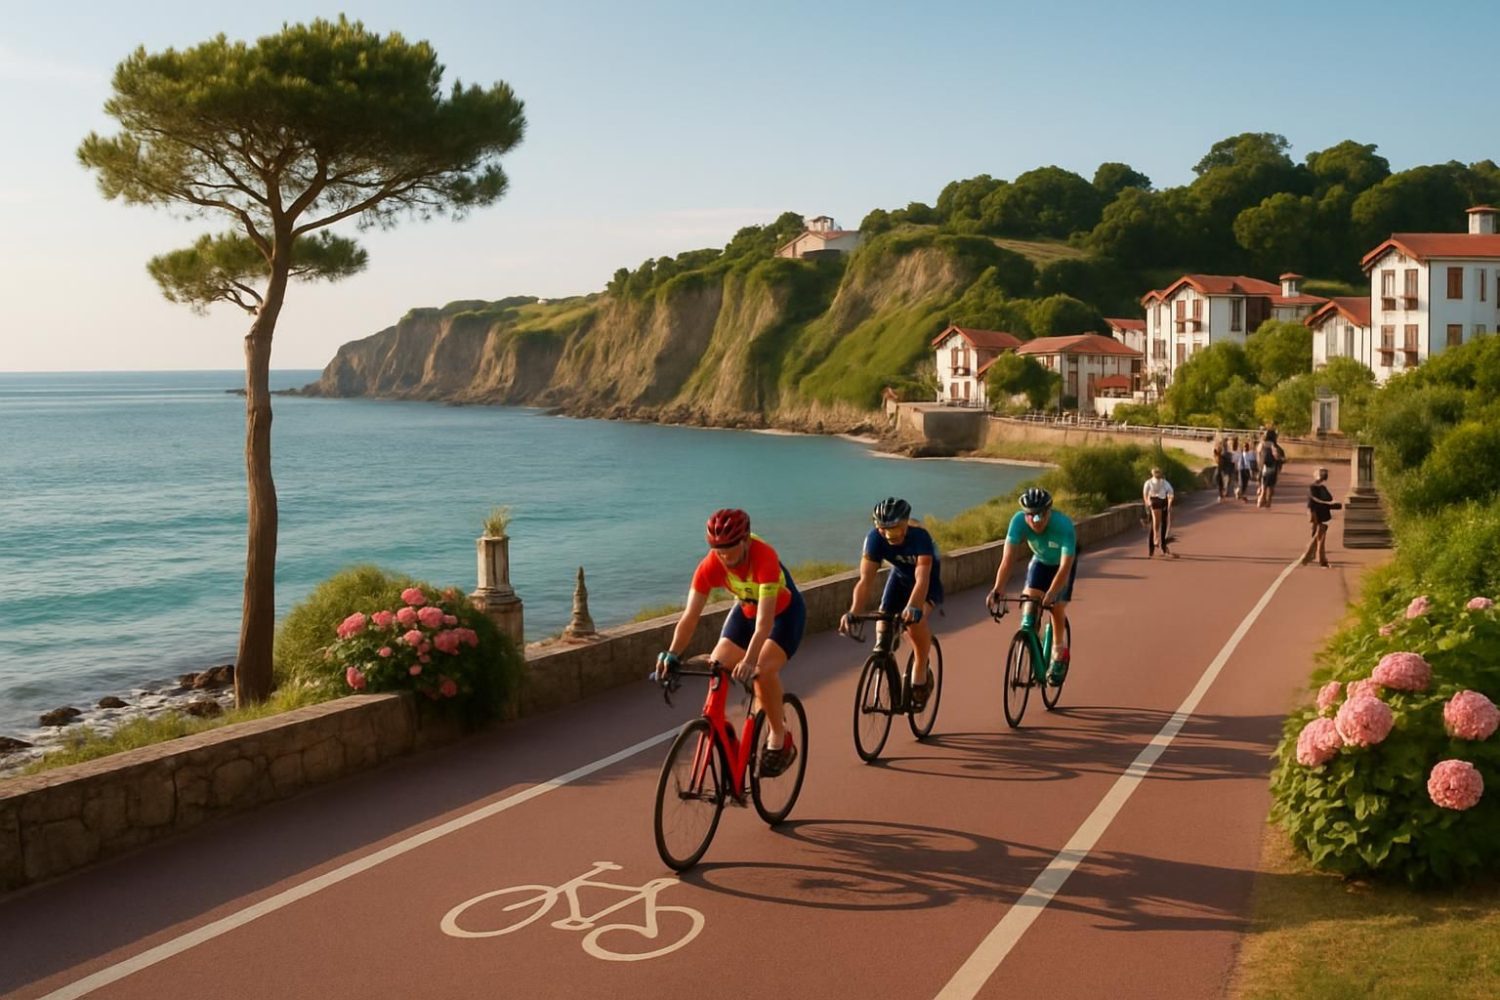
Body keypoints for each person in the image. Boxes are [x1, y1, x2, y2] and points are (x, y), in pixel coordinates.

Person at [655, 509, 806, 776]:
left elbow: (765, 624)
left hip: (783, 616)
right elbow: (690, 617)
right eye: (717, 549)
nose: (724, 557)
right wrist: (672, 653)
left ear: (745, 540)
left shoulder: (765, 558)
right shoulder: (710, 565)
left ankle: (780, 739)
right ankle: (720, 729)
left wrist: (749, 660)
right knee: (716, 666)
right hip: (746, 611)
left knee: (761, 670)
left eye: (729, 549)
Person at [839, 497, 943, 711]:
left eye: (894, 530)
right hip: (900, 578)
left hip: (927, 580)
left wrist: (914, 606)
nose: (889, 535)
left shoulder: (920, 537)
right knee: (882, 628)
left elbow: (923, 578)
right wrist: (854, 611)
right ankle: (885, 659)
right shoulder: (874, 540)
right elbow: (865, 581)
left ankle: (921, 670)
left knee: (915, 623)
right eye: (883, 530)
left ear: (905, 523)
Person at [986, 487, 1078, 684]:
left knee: (1056, 607)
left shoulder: (1063, 526)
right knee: (1028, 603)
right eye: (1030, 516)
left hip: (1062, 566)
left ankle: (1058, 652)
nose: (1035, 521)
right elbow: (1008, 559)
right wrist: (998, 588)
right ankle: (1032, 640)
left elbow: (1065, 567)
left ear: (1048, 512)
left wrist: (1053, 592)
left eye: (1040, 516)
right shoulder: (1018, 522)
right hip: (1041, 561)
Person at [1301, 467, 1341, 567]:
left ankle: (1314, 557)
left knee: (1319, 536)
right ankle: (1317, 558)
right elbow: (1318, 501)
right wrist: (1329, 503)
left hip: (1320, 513)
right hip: (1318, 513)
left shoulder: (1319, 488)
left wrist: (1331, 504)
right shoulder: (1316, 488)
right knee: (1319, 536)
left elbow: (1325, 500)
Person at [1141, 466, 1178, 558]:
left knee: (1163, 525)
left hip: (1163, 503)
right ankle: (1152, 546)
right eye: (1156, 473)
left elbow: (1171, 493)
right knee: (1154, 524)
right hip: (1154, 503)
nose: (1157, 475)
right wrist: (1148, 503)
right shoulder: (1148, 483)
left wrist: (1169, 503)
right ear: (1153, 474)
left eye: (1158, 473)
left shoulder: (1164, 483)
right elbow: (1145, 495)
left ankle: (1163, 547)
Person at [1257, 427, 1285, 508]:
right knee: (1271, 486)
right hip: (1273, 468)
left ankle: (1261, 500)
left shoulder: (1261, 445)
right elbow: (1280, 459)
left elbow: (1258, 454)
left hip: (1263, 468)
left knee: (1263, 486)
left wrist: (1259, 465)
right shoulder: (1276, 447)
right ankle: (1268, 501)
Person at [1214, 436, 1237, 502]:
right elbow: (1216, 458)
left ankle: (1225, 491)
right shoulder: (1218, 449)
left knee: (1227, 479)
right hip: (1220, 466)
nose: (1224, 445)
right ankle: (1221, 494)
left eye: (1224, 443)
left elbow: (1231, 458)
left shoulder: (1228, 452)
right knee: (1217, 478)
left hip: (1227, 465)